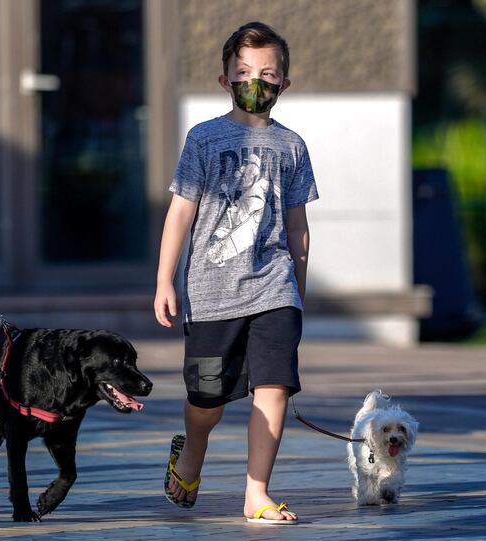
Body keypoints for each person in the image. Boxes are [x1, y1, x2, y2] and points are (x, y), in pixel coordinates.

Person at [153, 21, 318, 525]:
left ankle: (257, 493)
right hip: (210, 294)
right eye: (244, 72)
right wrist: (165, 279)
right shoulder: (202, 139)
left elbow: (298, 226)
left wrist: (297, 293)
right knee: (207, 399)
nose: (256, 82)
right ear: (224, 79)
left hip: (274, 288)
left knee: (272, 389)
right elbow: (180, 211)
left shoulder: (292, 146)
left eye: (268, 74)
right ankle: (193, 449)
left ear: (283, 85)